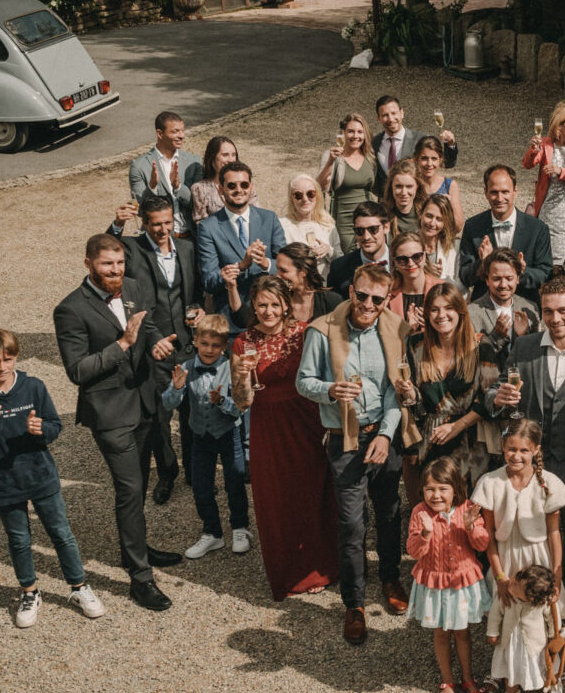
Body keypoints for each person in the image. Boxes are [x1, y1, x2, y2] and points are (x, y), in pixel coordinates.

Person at [53, 234, 181, 611]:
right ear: (88, 263)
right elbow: (78, 370)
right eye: (108, 264)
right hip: (110, 414)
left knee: (139, 483)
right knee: (128, 489)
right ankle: (140, 579)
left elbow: (151, 324)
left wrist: (155, 342)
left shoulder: (134, 287)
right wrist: (123, 344)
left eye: (120, 263)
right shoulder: (70, 309)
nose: (116, 271)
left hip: (144, 402)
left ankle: (133, 550)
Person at [297, 264, 418, 643]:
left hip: (382, 433)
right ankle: (355, 603)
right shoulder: (321, 330)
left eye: (376, 299)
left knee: (389, 512)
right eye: (362, 295)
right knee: (351, 524)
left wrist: (386, 434)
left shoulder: (396, 328)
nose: (367, 304)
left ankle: (389, 578)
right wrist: (330, 391)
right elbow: (303, 381)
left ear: (386, 302)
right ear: (351, 291)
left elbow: (395, 388)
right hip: (343, 437)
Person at [0, 328, 104, 627]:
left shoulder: (34, 387)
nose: (2, 366)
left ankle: (79, 587)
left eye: (7, 359)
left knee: (61, 533)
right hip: (3, 479)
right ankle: (30, 591)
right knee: (19, 539)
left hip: (40, 474)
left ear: (16, 357)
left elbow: (54, 426)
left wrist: (42, 430)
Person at [487, 279, 565, 619]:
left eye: (563, 310)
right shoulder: (525, 347)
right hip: (531, 462)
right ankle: (534, 594)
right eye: (548, 311)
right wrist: (498, 398)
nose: (556, 318)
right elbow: (496, 390)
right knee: (532, 530)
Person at [229, 276, 338, 601]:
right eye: (262, 304)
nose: (268, 311)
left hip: (306, 422)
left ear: (286, 305)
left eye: (275, 304)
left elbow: (323, 375)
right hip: (268, 428)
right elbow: (242, 401)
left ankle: (321, 567)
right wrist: (243, 374)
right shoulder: (242, 343)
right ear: (253, 305)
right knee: (276, 499)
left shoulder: (305, 332)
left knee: (312, 492)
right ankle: (286, 571)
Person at [108, 194, 197, 504]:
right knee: (160, 416)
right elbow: (107, 250)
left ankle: (195, 473)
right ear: (143, 223)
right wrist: (118, 224)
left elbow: (194, 292)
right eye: (156, 224)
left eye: (168, 223)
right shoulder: (133, 249)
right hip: (153, 347)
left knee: (191, 413)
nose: (163, 230)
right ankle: (168, 472)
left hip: (187, 345)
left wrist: (196, 312)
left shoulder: (186, 248)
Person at [398, 281, 499, 501]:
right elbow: (418, 401)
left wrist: (457, 425)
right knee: (436, 509)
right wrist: (409, 393)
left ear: (461, 311)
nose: (441, 315)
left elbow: (489, 398)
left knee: (470, 510)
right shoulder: (416, 345)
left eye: (448, 308)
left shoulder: (481, 347)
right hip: (432, 440)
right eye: (434, 309)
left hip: (471, 439)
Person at [406, 456, 493, 693]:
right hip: (435, 583)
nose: (435, 495)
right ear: (422, 490)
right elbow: (413, 551)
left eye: (442, 488)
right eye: (429, 489)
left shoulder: (468, 509)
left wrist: (470, 528)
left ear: (455, 487)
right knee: (441, 633)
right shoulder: (419, 513)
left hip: (462, 582)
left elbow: (482, 544)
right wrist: (425, 533)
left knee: (463, 632)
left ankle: (467, 678)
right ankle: (447, 681)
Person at [161, 313, 249, 561]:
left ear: (224, 347)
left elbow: (241, 407)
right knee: (201, 487)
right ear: (196, 341)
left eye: (216, 346)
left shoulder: (232, 368)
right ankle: (212, 532)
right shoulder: (187, 368)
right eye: (205, 344)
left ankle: (240, 528)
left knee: (235, 482)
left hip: (228, 434)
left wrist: (221, 401)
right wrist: (177, 388)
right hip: (199, 435)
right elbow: (168, 403)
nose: (210, 350)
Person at [473, 418, 565, 629]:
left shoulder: (548, 483)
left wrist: (557, 575)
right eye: (511, 449)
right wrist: (500, 576)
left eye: (524, 450)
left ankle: (545, 658)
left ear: (536, 450)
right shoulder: (491, 482)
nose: (516, 456)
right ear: (502, 446)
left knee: (542, 617)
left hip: (539, 556)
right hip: (505, 557)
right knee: (508, 617)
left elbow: (554, 533)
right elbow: (489, 533)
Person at [457, 165, 552, 303]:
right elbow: (465, 276)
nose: (499, 198)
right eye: (494, 192)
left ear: (515, 191)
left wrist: (521, 271)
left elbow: (545, 275)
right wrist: (483, 263)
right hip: (484, 307)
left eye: (505, 192)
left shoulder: (537, 229)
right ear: (485, 192)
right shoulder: (473, 226)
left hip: (525, 305)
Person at [195, 160, 286, 297]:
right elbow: (210, 281)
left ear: (251, 187)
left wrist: (265, 263)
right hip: (230, 310)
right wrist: (240, 266)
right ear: (220, 189)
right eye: (231, 186)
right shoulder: (208, 228)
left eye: (244, 185)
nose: (239, 190)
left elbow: (286, 265)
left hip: (269, 306)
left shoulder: (269, 219)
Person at [485, 563, 563, 693]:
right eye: (514, 579)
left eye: (515, 585)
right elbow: (495, 614)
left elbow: (553, 618)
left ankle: (554, 685)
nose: (511, 583)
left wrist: (555, 635)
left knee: (547, 665)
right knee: (511, 667)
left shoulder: (543, 603)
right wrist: (492, 632)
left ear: (530, 597)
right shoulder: (506, 595)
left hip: (537, 643)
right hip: (511, 642)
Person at [523, 102, 565, 259]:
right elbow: (527, 164)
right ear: (560, 126)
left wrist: (562, 171)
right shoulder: (546, 144)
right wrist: (533, 149)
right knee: (550, 252)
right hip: (549, 208)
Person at [130, 110, 202, 236]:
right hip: (159, 238)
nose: (181, 136)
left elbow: (198, 204)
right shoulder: (139, 166)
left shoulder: (194, 162)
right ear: (160, 133)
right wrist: (151, 187)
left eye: (182, 130)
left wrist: (179, 187)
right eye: (175, 131)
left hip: (192, 237)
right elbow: (142, 211)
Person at [318, 113, 381, 250]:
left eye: (360, 132)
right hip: (344, 221)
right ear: (343, 133)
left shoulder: (370, 157)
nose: (355, 136)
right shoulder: (332, 156)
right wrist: (330, 162)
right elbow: (318, 187)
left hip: (368, 219)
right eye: (350, 131)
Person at [468, 249, 538, 357]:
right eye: (497, 279)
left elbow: (536, 354)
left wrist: (524, 336)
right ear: (487, 280)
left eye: (509, 278)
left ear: (518, 279)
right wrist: (496, 336)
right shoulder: (471, 313)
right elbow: (471, 357)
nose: (503, 285)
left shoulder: (530, 308)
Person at [372, 93, 456, 173]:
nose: (390, 119)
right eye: (385, 115)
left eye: (394, 113)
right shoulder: (373, 143)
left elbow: (447, 163)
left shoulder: (420, 139)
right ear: (378, 118)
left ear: (402, 113)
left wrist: (450, 144)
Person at [281, 173, 341, 279]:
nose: (305, 199)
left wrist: (329, 250)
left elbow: (341, 260)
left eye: (310, 194)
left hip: (325, 286)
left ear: (317, 195)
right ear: (291, 199)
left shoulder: (327, 224)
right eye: (298, 195)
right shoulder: (283, 226)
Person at [326, 201, 392, 295]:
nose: (366, 237)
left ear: (386, 227)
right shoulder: (339, 268)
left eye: (373, 229)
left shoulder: (403, 261)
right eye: (359, 231)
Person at [192, 135, 253, 226]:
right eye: (225, 155)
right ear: (212, 158)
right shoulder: (200, 189)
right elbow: (202, 225)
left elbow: (257, 216)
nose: (231, 160)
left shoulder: (244, 184)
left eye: (233, 155)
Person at [417, 192, 461, 282]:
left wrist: (440, 279)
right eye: (429, 216)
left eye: (439, 219)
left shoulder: (455, 247)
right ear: (421, 214)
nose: (432, 223)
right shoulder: (407, 243)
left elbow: (461, 287)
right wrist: (424, 271)